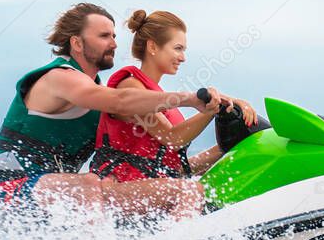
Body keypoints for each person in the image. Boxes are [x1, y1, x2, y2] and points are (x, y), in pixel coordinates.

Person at [0, 2, 237, 219]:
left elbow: (157, 156)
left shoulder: (97, 93)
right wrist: (189, 98)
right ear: (77, 43)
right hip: (11, 185)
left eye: (114, 36)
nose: (114, 43)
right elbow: (120, 101)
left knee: (173, 188)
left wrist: (225, 143)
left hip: (58, 193)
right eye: (104, 36)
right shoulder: (60, 78)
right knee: (90, 183)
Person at [90, 10, 257, 184]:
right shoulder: (130, 86)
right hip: (118, 191)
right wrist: (213, 109)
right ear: (153, 47)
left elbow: (176, 170)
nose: (183, 58)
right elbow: (172, 138)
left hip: (153, 190)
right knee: (193, 193)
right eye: (178, 48)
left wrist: (224, 148)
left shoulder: (164, 102)